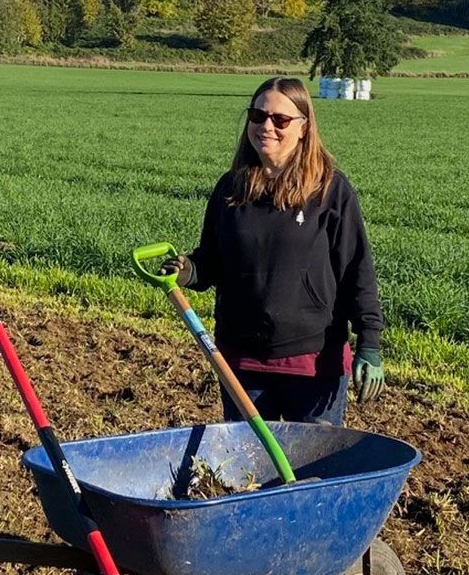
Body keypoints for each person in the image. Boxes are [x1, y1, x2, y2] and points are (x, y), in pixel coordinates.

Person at [162, 76, 384, 427]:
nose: (266, 126)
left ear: (303, 127)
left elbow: (357, 269)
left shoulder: (330, 190)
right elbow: (214, 261)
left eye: (280, 119)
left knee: (312, 460)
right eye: (258, 115)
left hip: (313, 363)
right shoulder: (231, 188)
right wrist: (188, 269)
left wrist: (369, 342)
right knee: (249, 460)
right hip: (241, 361)